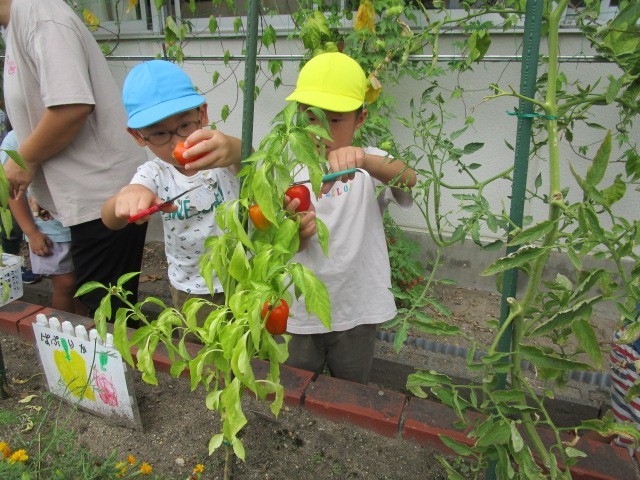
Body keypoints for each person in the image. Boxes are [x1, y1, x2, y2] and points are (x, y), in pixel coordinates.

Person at [0, 0, 149, 316]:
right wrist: (45, 188)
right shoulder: (18, 22)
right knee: (93, 301)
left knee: (107, 311)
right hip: (82, 198)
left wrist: (24, 161)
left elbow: (70, 107)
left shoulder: (41, 15)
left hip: (101, 196)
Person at [283, 52, 417, 384]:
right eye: (312, 118)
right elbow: (273, 243)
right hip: (300, 308)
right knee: (297, 386)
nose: (322, 131)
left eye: (335, 120)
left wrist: (364, 160)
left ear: (360, 119)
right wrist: (294, 235)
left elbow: (409, 179)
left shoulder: (370, 165)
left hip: (357, 306)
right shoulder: (285, 169)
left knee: (352, 388)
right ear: (298, 115)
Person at [101, 60, 243, 313]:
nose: (177, 141)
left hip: (242, 276)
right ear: (137, 136)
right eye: (158, 133)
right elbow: (110, 220)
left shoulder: (220, 155)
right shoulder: (154, 173)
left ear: (202, 114)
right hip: (192, 288)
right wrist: (126, 197)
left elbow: (246, 157)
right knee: (198, 338)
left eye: (185, 125)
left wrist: (233, 148)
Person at [3, 129, 81, 313]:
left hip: (80, 223)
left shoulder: (71, 130)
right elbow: (12, 192)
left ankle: (83, 325)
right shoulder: (16, 139)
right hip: (49, 231)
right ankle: (61, 326)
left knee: (82, 283)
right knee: (65, 284)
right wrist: (31, 232)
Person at [0, 126, 40, 284]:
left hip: (21, 194)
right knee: (10, 230)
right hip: (11, 193)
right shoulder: (12, 140)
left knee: (13, 230)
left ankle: (13, 267)